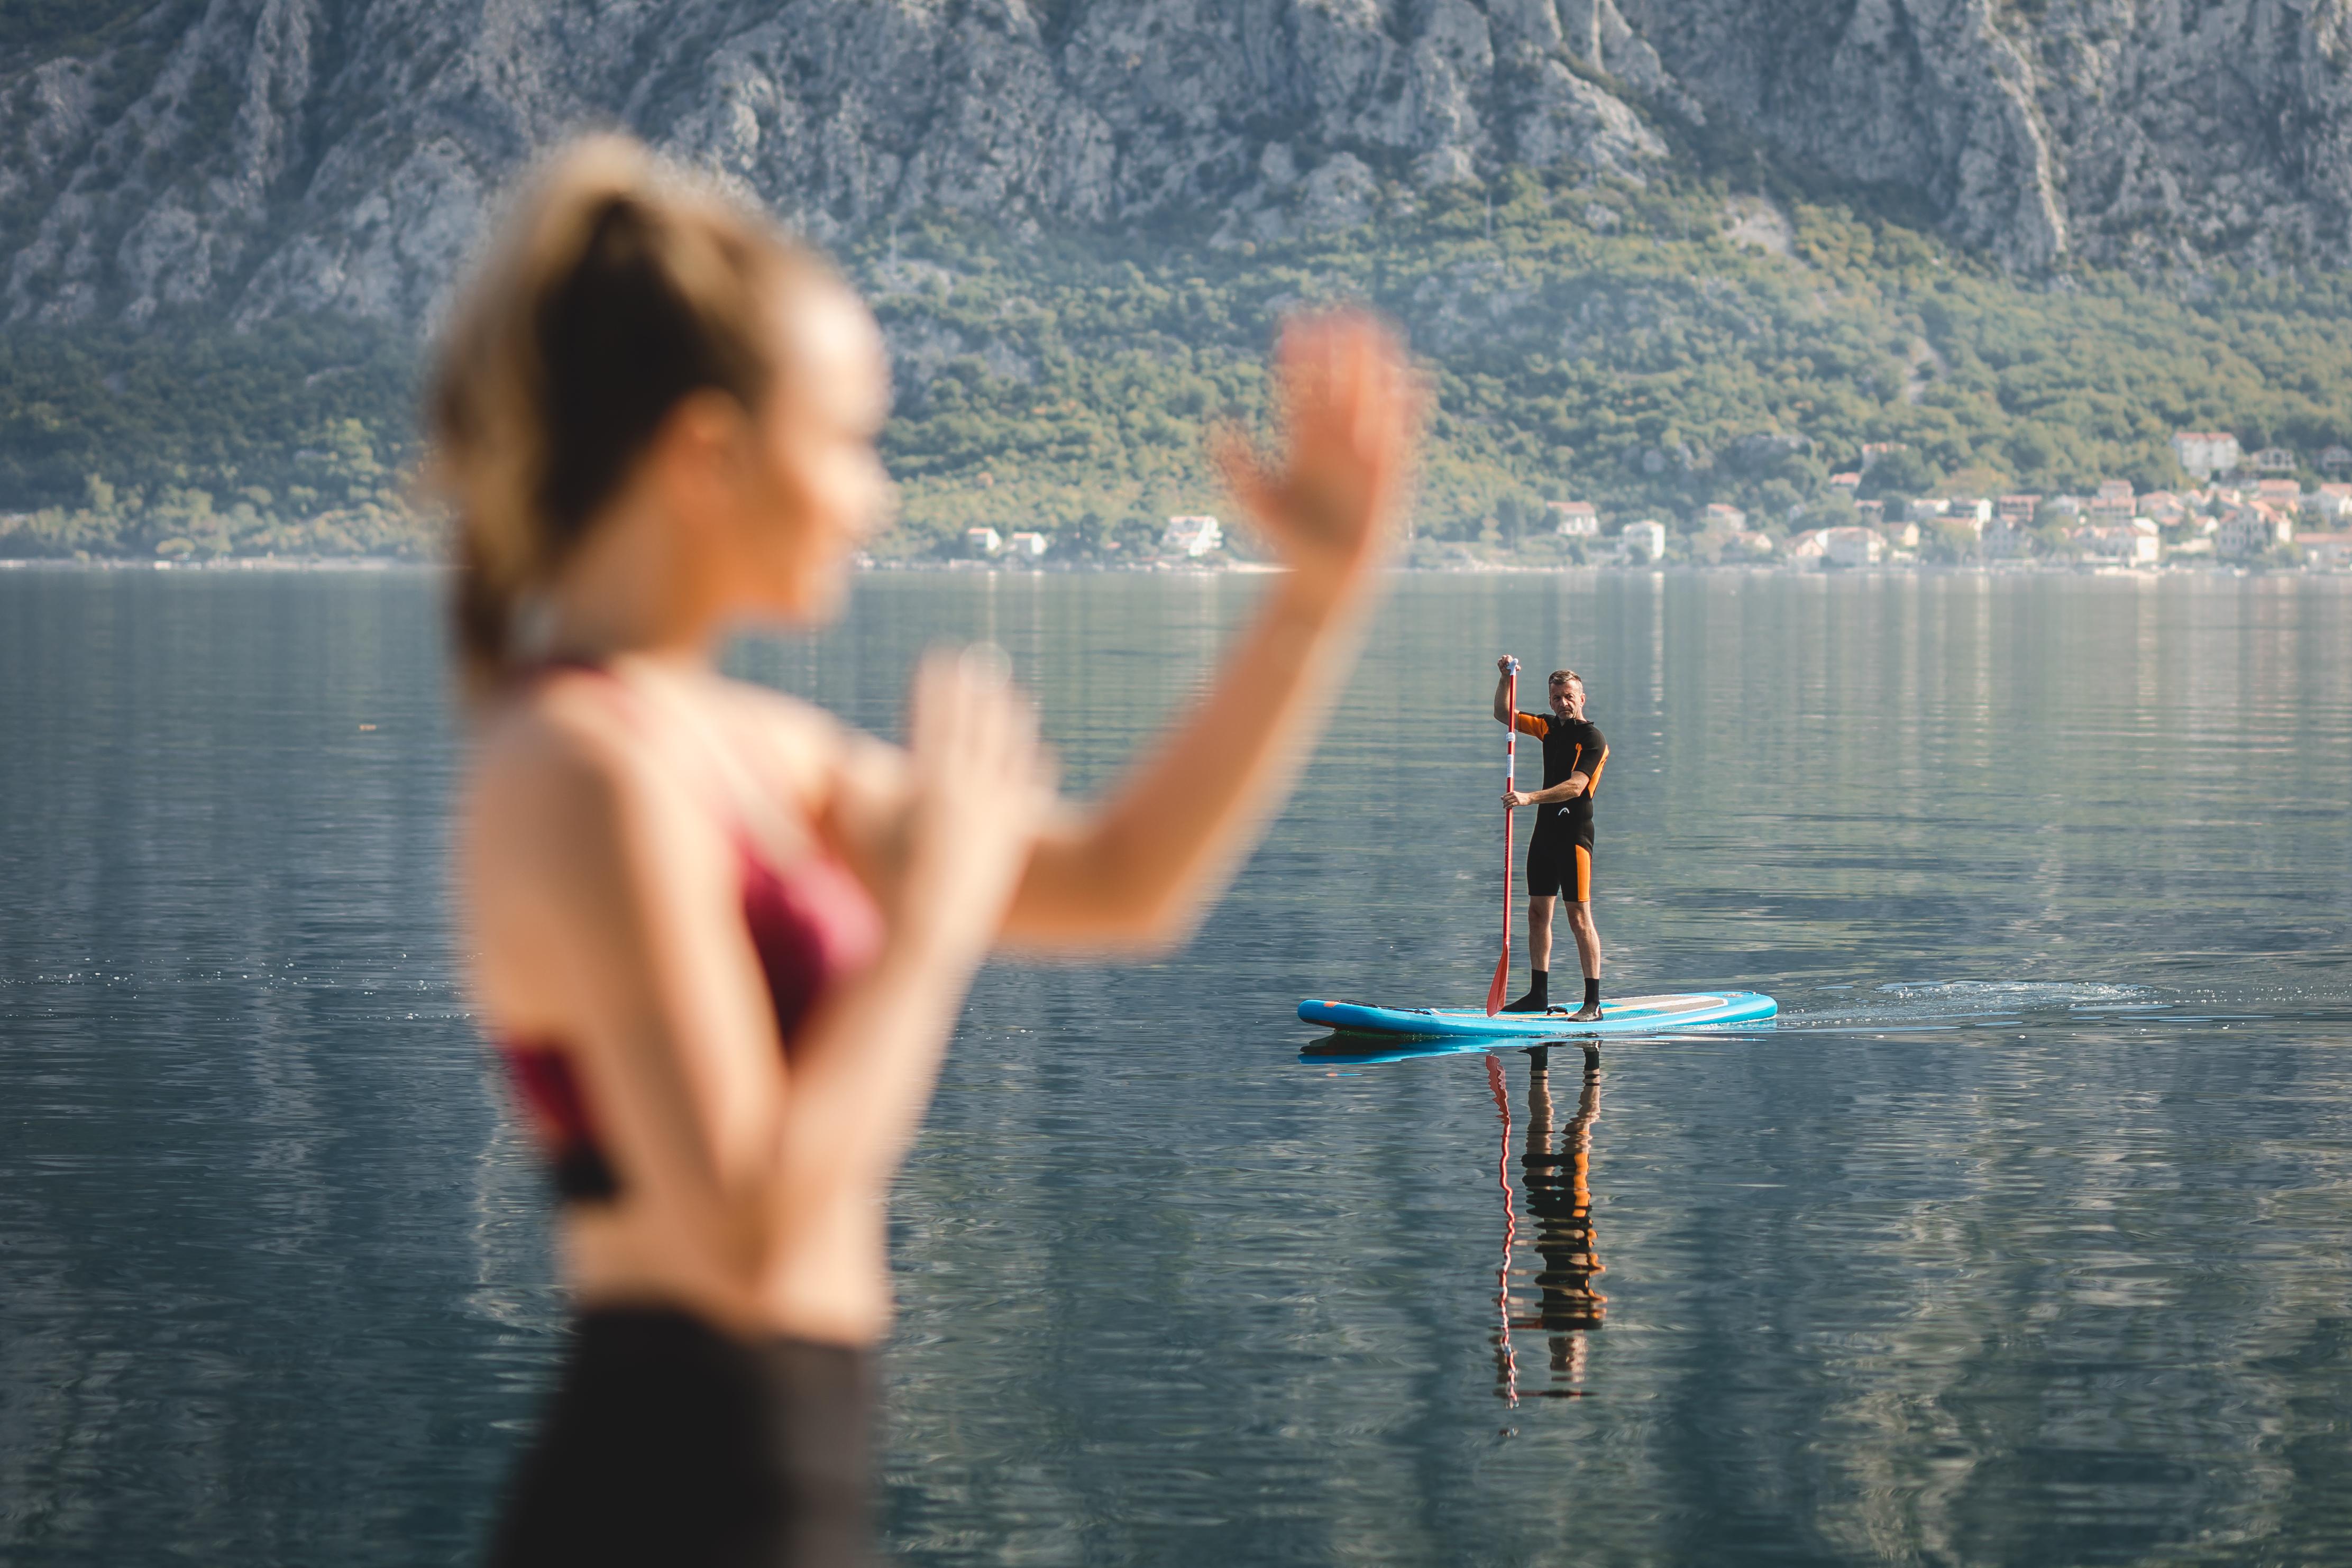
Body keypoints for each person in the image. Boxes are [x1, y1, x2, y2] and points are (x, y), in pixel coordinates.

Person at [432, 134, 1420, 1567]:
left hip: (780, 1486)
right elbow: (746, 1228)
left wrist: (1313, 604)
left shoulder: (749, 749)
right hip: (665, 1501)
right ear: (706, 455)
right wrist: (934, 921)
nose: (871, 497)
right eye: (845, 440)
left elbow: (1124, 881)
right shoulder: (581, 770)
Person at [1491, 660, 1607, 1019]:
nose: (1562, 703)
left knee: (1578, 917)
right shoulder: (1547, 727)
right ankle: (1537, 995)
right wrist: (1504, 678)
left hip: (1574, 837)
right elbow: (1502, 713)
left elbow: (1576, 786)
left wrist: (1529, 797)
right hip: (1543, 835)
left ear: (1581, 698)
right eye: (1556, 697)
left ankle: (1592, 1003)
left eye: (1568, 696)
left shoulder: (1593, 739)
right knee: (1537, 913)